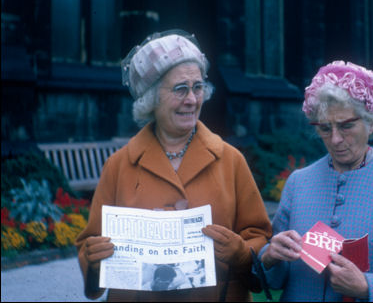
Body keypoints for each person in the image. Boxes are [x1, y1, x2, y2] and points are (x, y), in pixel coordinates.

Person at [75, 30, 272, 301]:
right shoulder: (119, 165)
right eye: (180, 89)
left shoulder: (230, 160)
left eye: (198, 87)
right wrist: (93, 259)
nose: (192, 99)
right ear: (152, 98)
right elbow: (90, 242)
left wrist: (241, 253)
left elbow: (259, 235)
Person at [254, 61, 373, 301]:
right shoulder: (298, 183)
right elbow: (273, 278)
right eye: (325, 128)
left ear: (371, 123)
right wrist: (270, 256)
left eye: (346, 126)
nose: (335, 139)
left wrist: (367, 287)